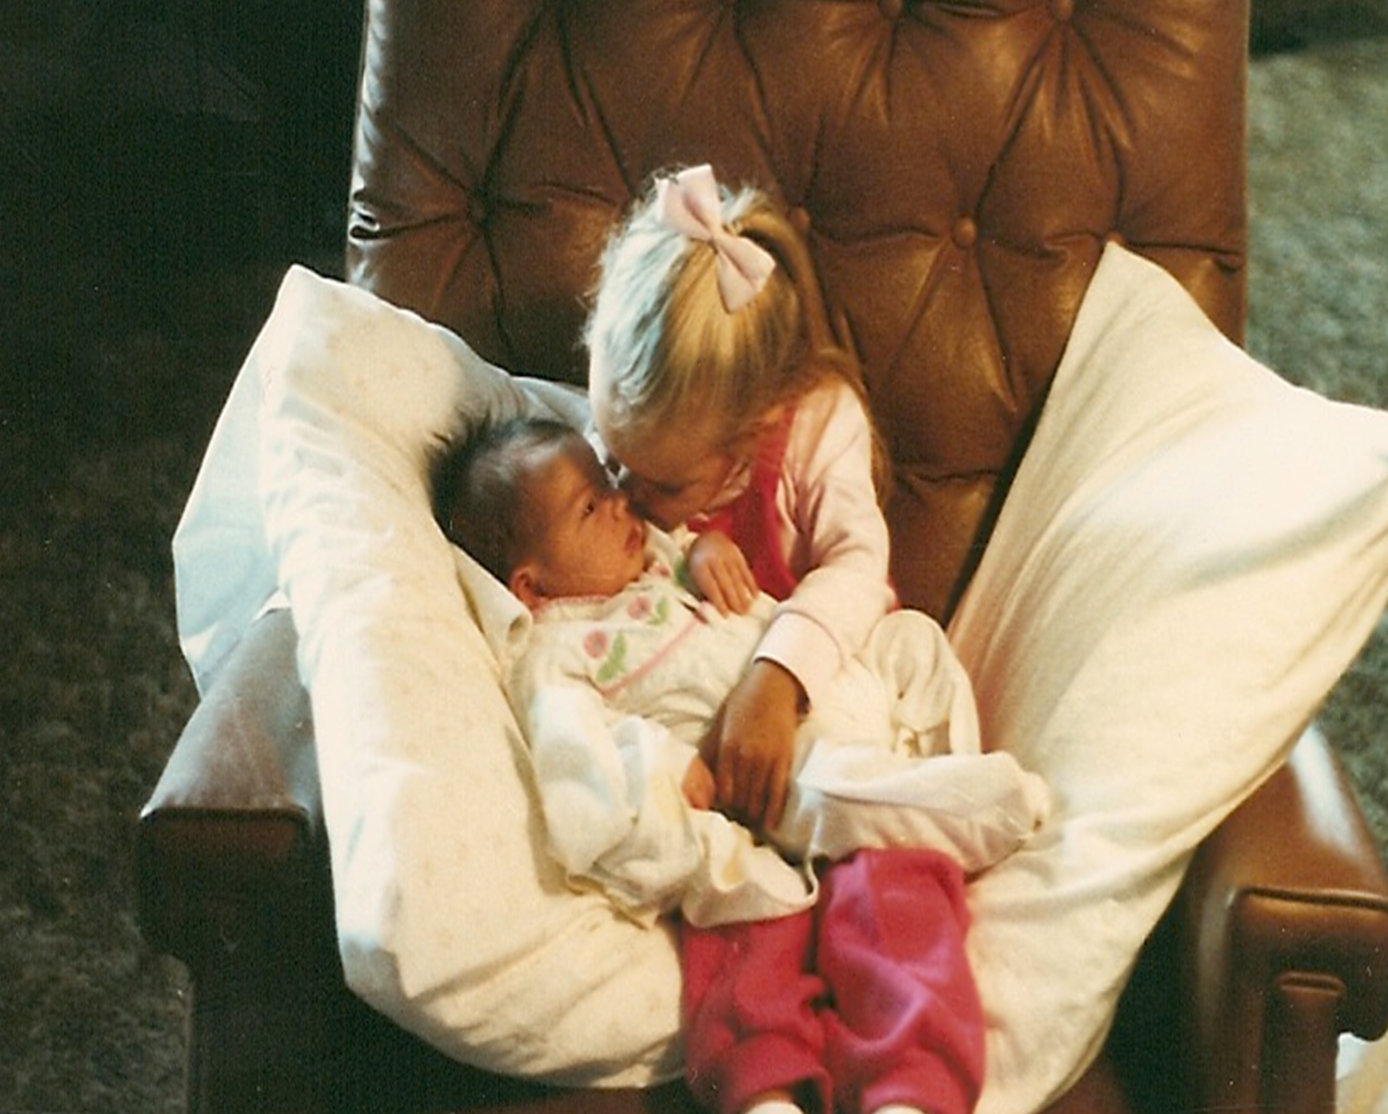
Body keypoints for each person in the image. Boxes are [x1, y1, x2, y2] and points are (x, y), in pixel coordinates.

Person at [434, 415, 1049, 1114]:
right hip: (759, 770)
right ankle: (969, 811)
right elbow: (578, 755)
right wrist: (666, 766)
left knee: (914, 637)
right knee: (818, 812)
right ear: (532, 586)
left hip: (826, 687)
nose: (621, 503)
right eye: (590, 508)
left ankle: (934, 765)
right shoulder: (555, 650)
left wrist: (708, 551)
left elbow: (701, 547)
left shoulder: (658, 554)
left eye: (608, 483)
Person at [582, 163, 987, 1114]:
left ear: (751, 429)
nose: (624, 495)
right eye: (610, 461)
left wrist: (776, 676)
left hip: (833, 715)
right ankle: (761, 1085)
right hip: (728, 774)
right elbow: (619, 572)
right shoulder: (648, 440)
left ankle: (910, 1087)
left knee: (889, 883)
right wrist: (684, 548)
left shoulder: (814, 427)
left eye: (660, 486)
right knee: (734, 906)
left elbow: (858, 566)